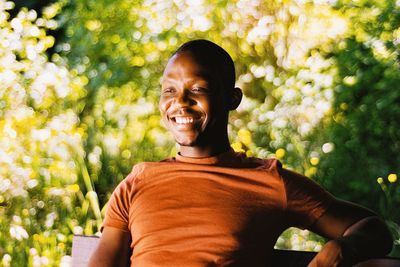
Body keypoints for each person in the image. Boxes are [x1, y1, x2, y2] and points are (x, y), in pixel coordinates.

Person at [88, 39, 393, 267]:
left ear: (232, 99)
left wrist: (337, 251)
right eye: (169, 90)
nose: (179, 102)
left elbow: (374, 230)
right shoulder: (137, 182)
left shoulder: (271, 183)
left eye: (197, 89)